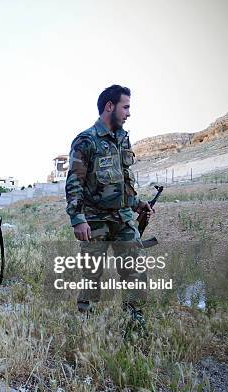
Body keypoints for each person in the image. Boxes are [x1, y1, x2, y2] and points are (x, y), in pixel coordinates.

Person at [65, 85, 155, 318]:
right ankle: (86, 319)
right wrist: (77, 219)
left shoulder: (123, 139)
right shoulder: (86, 141)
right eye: (125, 107)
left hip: (123, 218)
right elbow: (74, 183)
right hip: (95, 219)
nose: (128, 113)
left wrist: (137, 203)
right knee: (92, 274)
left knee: (134, 268)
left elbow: (123, 181)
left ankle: (133, 318)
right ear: (109, 106)